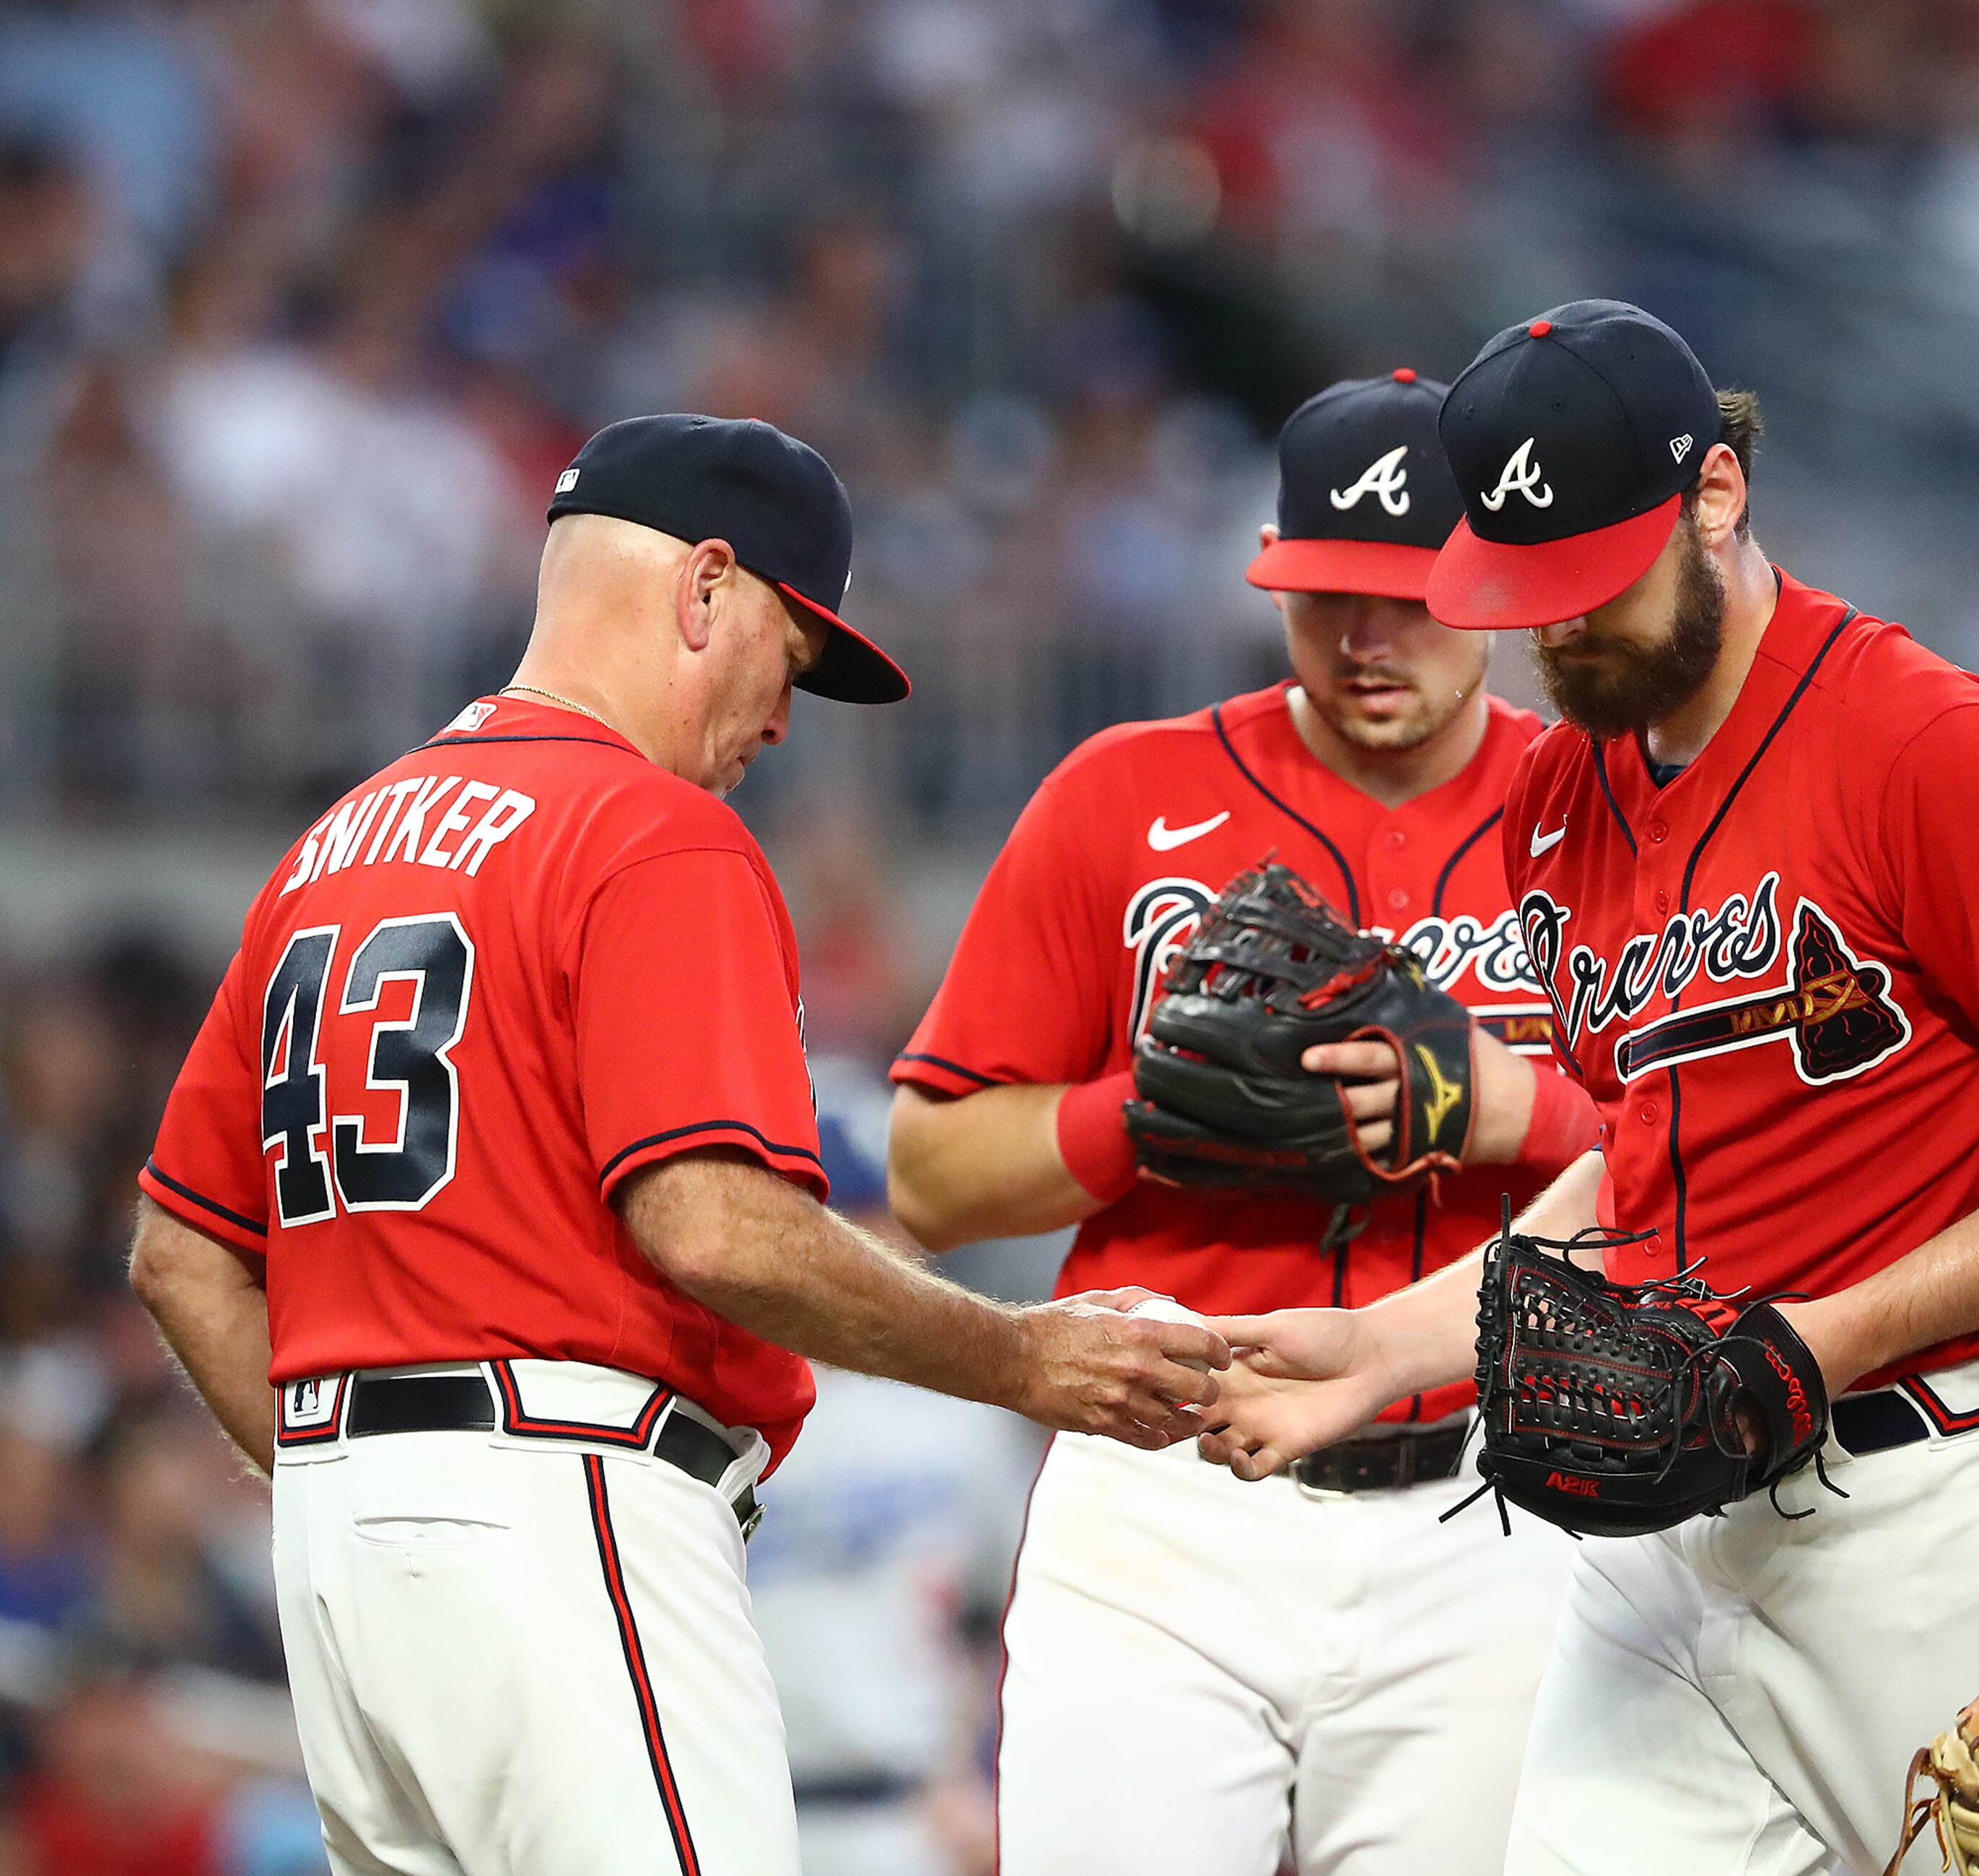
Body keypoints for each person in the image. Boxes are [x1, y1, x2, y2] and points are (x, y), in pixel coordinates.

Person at [126, 413, 1230, 1876]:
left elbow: (180, 1257)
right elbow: (711, 1225)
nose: (784, 720)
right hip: (562, 1500)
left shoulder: (332, 846)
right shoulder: (651, 828)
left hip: (343, 1546)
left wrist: (372, 1488)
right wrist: (1023, 1358)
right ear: (706, 586)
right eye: (792, 651)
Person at [1197, 300, 1979, 1874]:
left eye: (1590, 585)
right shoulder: (1562, 788)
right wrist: (1382, 1345)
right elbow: (1638, 1158)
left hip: (1933, 1503)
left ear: (1716, 498)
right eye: (1525, 597)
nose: (1558, 635)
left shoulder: (1939, 754)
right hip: (1664, 1536)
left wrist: (1825, 1341)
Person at [883, 370, 1599, 1876]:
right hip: (1164, 1483)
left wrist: (1512, 1106)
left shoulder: (1599, 805)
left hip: (1496, 1498)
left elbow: (1714, 1148)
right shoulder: (1120, 796)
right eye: (1329, 593)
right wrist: (1147, 1111)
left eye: (1411, 595)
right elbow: (931, 1175)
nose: (1367, 638)